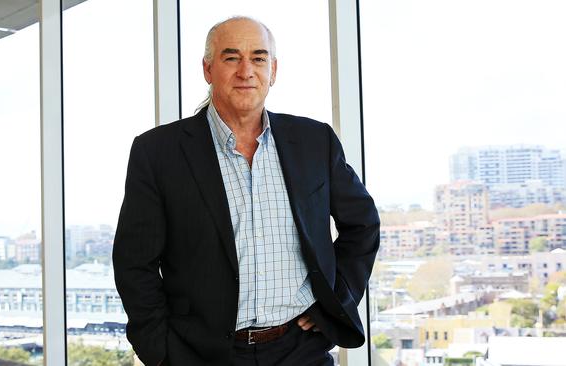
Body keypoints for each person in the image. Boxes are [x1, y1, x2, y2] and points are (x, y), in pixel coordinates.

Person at [113, 16, 380, 366]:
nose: (246, 70)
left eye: (258, 57)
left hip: (301, 350)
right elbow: (134, 263)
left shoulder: (315, 142)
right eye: (230, 57)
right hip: (200, 354)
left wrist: (334, 301)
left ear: (273, 70)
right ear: (208, 69)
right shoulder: (158, 151)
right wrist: (160, 353)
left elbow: (362, 225)